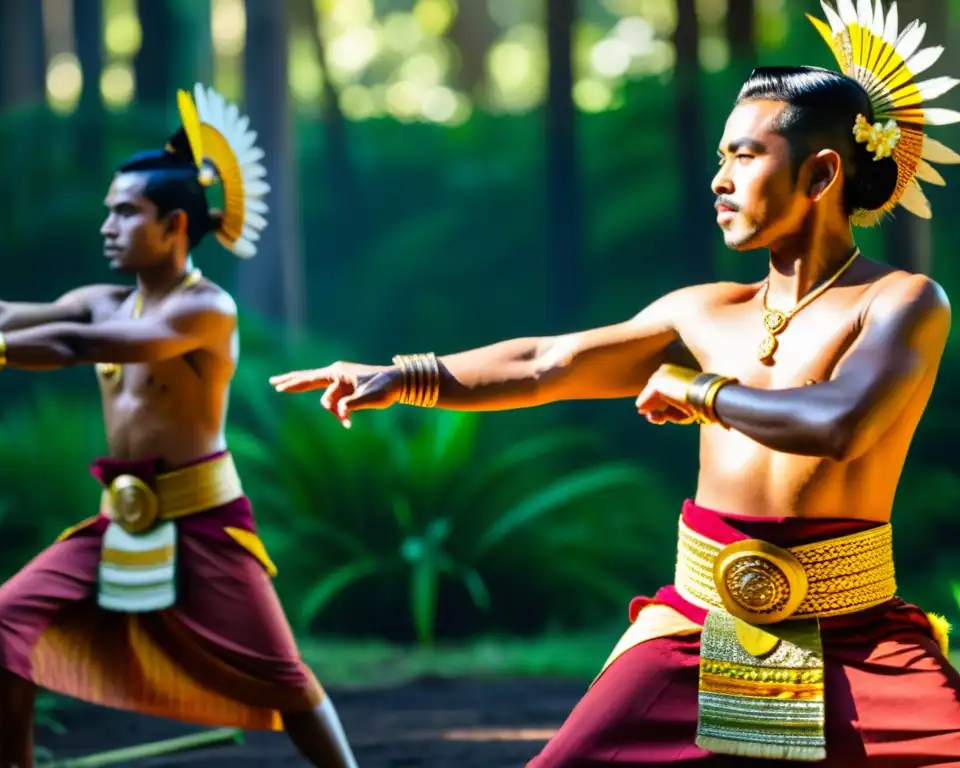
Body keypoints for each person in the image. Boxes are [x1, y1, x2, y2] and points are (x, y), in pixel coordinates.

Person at [270, 2, 960, 765]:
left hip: (858, 632)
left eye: (744, 157)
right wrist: (406, 376)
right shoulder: (703, 310)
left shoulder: (901, 301)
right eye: (720, 159)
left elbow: (841, 423)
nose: (718, 180)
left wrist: (699, 393)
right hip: (697, 621)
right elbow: (546, 363)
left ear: (822, 173)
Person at [0, 85, 359, 768]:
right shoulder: (104, 301)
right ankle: (11, 762)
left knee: (282, 678)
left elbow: (74, 345)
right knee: (5, 619)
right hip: (119, 518)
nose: (107, 226)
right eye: (108, 211)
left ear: (176, 226)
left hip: (205, 521)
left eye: (126, 213)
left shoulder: (206, 312)